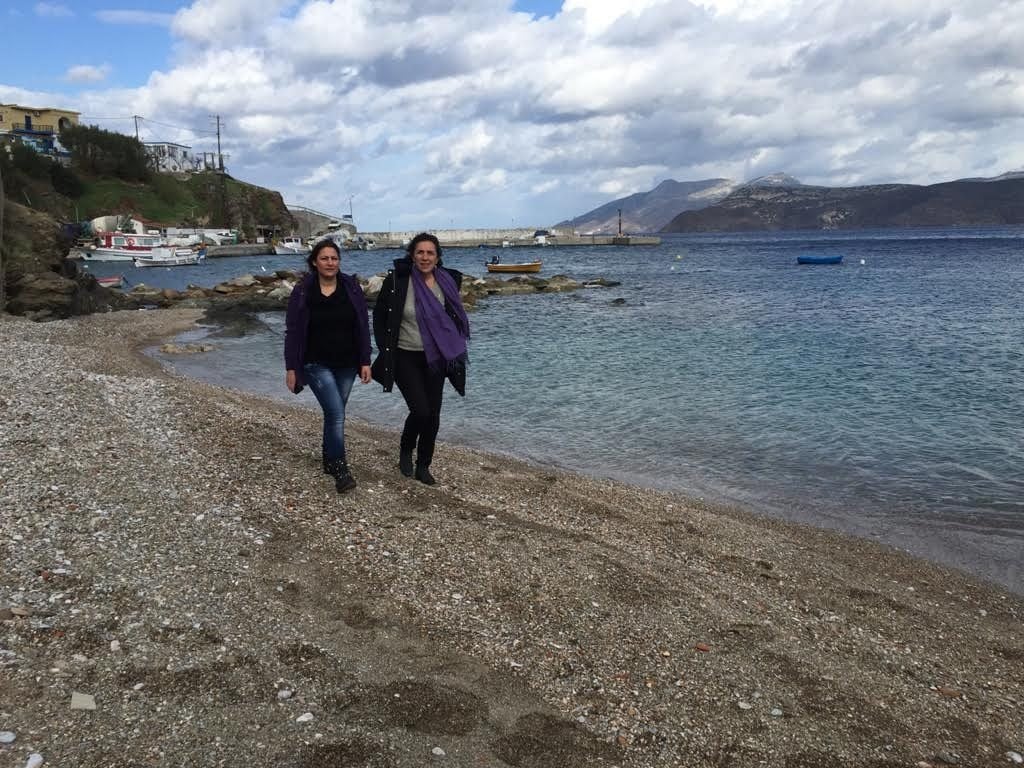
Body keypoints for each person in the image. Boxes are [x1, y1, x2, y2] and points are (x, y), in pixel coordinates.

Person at [372, 233, 470, 485]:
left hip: (436, 357)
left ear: (437, 257)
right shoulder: (398, 280)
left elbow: (452, 316)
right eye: (420, 252)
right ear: (412, 255)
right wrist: (384, 348)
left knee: (433, 414)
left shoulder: (449, 280)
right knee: (420, 410)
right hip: (404, 354)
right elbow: (380, 316)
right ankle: (406, 448)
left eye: (430, 253)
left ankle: (424, 465)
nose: (425, 257)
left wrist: (454, 345)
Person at [284, 239, 372, 493]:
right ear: (315, 262)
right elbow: (292, 331)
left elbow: (362, 325)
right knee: (336, 414)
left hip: (347, 363)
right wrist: (291, 368)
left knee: (335, 412)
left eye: (334, 258)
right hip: (315, 363)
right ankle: (340, 468)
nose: (330, 263)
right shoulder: (303, 290)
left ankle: (328, 457)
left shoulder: (351, 287)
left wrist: (365, 360)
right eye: (324, 258)